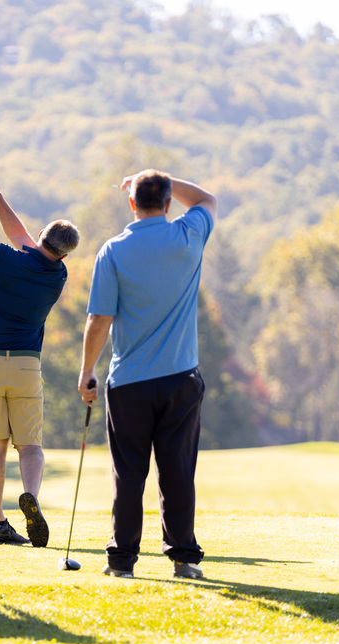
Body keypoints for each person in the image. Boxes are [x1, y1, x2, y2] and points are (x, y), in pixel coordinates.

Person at [78, 169, 216, 580]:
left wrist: (87, 371)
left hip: (130, 384)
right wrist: (166, 177)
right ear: (170, 202)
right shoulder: (188, 235)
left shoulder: (113, 250)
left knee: (130, 474)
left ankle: (122, 562)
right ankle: (184, 560)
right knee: (177, 471)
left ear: (131, 203)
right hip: (180, 380)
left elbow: (99, 319)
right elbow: (207, 200)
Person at [0, 169, 80, 547]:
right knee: (30, 446)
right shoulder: (57, 274)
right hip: (26, 364)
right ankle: (31, 495)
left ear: (40, 237)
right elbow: (22, 237)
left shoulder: (4, 259)